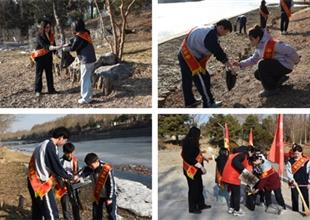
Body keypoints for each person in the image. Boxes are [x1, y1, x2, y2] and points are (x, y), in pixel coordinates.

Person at [178, 19, 234, 108]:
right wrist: (227, 62)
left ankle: (190, 102)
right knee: (202, 79)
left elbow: (216, 48)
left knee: (190, 79)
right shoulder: (210, 35)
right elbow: (217, 51)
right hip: (188, 56)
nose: (225, 35)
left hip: (184, 52)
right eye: (225, 32)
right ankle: (208, 103)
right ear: (221, 27)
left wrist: (225, 61)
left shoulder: (211, 30)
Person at [233, 25, 300, 97]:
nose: (250, 42)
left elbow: (290, 50)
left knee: (262, 64)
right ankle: (279, 79)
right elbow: (253, 59)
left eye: (251, 39)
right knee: (258, 74)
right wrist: (240, 64)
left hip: (285, 66)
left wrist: (296, 61)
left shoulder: (271, 43)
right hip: (277, 66)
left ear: (258, 38)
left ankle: (271, 90)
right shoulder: (259, 47)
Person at [27, 127, 78, 220]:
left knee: (37, 209)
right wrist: (70, 177)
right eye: (65, 140)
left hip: (32, 181)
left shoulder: (42, 144)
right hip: (41, 183)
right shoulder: (50, 146)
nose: (64, 143)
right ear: (61, 137)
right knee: (51, 211)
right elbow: (56, 167)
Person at [64, 19, 96, 104]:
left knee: (85, 79)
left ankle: (85, 98)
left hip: (86, 60)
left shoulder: (79, 37)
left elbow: (73, 48)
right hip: (91, 59)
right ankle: (89, 96)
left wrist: (65, 48)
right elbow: (76, 42)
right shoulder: (86, 33)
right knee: (88, 78)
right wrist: (70, 43)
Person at [181, 127, 211, 214]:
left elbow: (195, 153)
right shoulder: (187, 142)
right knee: (193, 188)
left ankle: (201, 204)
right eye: (198, 134)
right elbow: (189, 157)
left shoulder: (193, 141)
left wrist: (204, 158)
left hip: (196, 170)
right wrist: (201, 167)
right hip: (190, 170)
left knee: (199, 187)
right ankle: (192, 207)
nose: (199, 136)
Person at [80, 153, 117, 220]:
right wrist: (79, 177)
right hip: (97, 194)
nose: (90, 167)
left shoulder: (106, 168)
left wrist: (109, 198)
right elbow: (82, 173)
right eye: (89, 166)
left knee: (111, 214)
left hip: (108, 194)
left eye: (91, 165)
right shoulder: (89, 167)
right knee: (96, 214)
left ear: (97, 161)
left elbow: (111, 184)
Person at [32, 20, 62, 97]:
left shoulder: (51, 34)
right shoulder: (39, 35)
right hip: (40, 58)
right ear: (43, 27)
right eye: (46, 27)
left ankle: (51, 89)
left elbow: (53, 44)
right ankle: (38, 90)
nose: (48, 29)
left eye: (49, 27)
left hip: (48, 57)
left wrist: (56, 52)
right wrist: (51, 47)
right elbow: (44, 45)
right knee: (39, 74)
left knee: (49, 74)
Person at [221, 146, 255, 216]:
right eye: (252, 153)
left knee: (233, 193)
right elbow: (235, 162)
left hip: (227, 176)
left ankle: (232, 208)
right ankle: (237, 210)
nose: (252, 155)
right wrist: (244, 170)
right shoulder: (243, 154)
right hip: (233, 177)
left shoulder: (234, 154)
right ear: (249, 151)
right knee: (236, 194)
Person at [59, 142, 81, 220]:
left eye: (71, 153)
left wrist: (78, 179)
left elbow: (77, 172)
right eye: (68, 153)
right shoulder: (60, 161)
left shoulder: (75, 160)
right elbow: (57, 175)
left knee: (76, 205)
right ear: (64, 152)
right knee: (65, 206)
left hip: (74, 186)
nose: (70, 155)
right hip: (63, 187)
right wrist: (62, 179)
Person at [286, 144, 310, 213]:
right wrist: (292, 181)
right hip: (294, 183)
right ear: (293, 153)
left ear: (301, 152)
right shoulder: (290, 161)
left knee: (305, 197)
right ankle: (295, 212)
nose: (297, 154)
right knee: (295, 198)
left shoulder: (306, 161)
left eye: (298, 153)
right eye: (295, 153)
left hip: (304, 183)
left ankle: (305, 210)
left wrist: (309, 182)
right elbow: (289, 172)